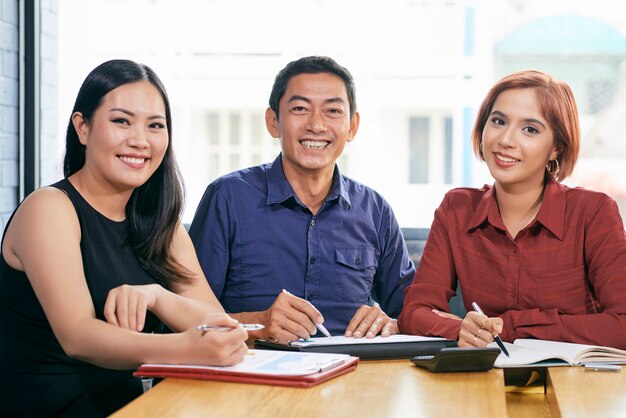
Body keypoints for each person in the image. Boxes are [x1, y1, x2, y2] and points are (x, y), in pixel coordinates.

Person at [0, 59, 248, 417]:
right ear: (82, 128)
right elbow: (78, 336)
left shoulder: (163, 226)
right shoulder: (49, 208)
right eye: (121, 121)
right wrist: (186, 348)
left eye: (155, 126)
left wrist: (158, 296)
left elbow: (218, 322)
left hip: (132, 409)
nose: (140, 140)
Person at [189, 56, 415, 341]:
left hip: (351, 378)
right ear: (273, 121)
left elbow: (414, 312)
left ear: (352, 126)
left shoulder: (375, 211)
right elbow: (185, 318)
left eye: (332, 111)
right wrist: (258, 326)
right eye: (300, 108)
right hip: (250, 377)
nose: (316, 125)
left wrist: (392, 322)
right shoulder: (228, 198)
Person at [398, 70, 626, 350]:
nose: (506, 140)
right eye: (498, 121)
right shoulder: (456, 209)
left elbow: (622, 325)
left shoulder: (593, 212)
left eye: (530, 129)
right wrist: (461, 329)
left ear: (556, 147)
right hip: (484, 377)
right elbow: (414, 312)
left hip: (575, 384)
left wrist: (509, 326)